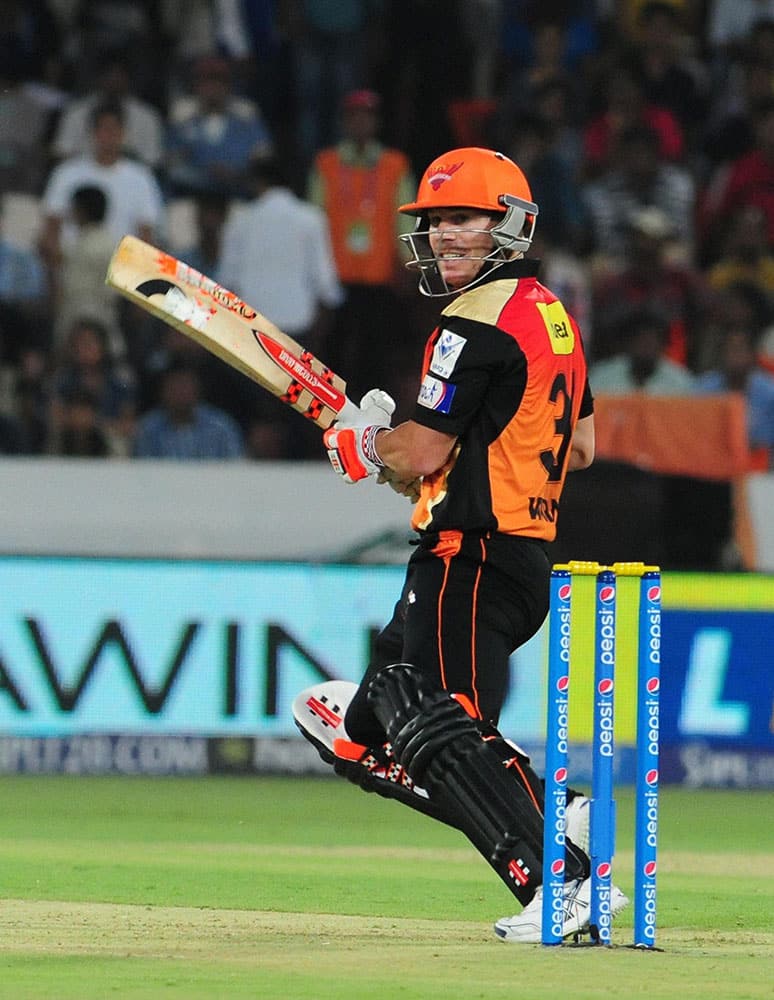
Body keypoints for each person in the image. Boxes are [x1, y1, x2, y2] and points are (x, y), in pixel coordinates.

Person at [294, 146, 627, 943]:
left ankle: (558, 878)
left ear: (509, 226)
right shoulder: (555, 319)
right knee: (370, 725)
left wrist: (366, 445)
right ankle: (560, 816)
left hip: (467, 556)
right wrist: (433, 453)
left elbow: (417, 453)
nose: (444, 237)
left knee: (441, 715)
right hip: (516, 557)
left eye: (463, 219)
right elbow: (577, 449)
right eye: (436, 221)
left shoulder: (469, 322)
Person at [306, 88, 416, 390]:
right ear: (344, 122)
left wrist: (407, 262)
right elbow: (314, 220)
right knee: (333, 355)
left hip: (377, 278)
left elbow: (404, 218)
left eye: (366, 117)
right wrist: (314, 273)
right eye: (354, 117)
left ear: (376, 122)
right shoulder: (326, 163)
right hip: (335, 278)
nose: (360, 124)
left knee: (375, 356)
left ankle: (372, 423)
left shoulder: (395, 165)